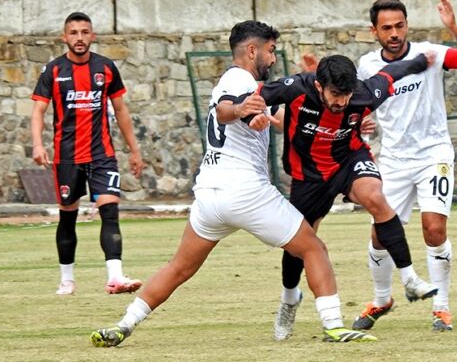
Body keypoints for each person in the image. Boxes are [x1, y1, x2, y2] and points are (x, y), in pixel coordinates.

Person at [90, 20, 376, 347]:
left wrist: (264, 113)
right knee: (314, 248)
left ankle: (125, 324)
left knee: (179, 268)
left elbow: (268, 120)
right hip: (245, 191)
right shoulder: (238, 78)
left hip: (210, 195)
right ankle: (334, 325)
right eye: (269, 51)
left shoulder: (247, 87)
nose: (272, 59)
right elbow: (227, 109)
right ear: (252, 50)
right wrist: (241, 109)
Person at [256, 52, 440, 341]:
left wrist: (421, 60)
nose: (342, 101)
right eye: (335, 94)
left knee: (376, 198)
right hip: (309, 175)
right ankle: (289, 299)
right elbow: (253, 95)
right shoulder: (295, 88)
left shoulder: (364, 93)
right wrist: (251, 111)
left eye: (346, 94)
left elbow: (394, 71)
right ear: (319, 86)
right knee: (298, 244)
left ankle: (409, 278)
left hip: (348, 161)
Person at [353, 0, 457, 332]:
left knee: (434, 229)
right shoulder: (368, 65)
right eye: (387, 28)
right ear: (375, 31)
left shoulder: (431, 54)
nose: (394, 33)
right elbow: (361, 106)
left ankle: (441, 308)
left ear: (407, 25)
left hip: (434, 156)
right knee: (380, 236)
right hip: (395, 160)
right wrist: (361, 122)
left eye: (399, 25)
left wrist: (454, 29)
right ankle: (382, 300)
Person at [31, 11, 145, 296]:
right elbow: (38, 111)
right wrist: (37, 144)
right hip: (67, 158)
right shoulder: (54, 71)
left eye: (84, 32)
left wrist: (135, 150)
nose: (79, 38)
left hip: (101, 155)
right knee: (67, 218)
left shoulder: (106, 68)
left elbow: (121, 110)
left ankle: (115, 277)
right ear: (64, 37)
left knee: (110, 211)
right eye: (74, 33)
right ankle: (67, 279)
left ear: (92, 36)